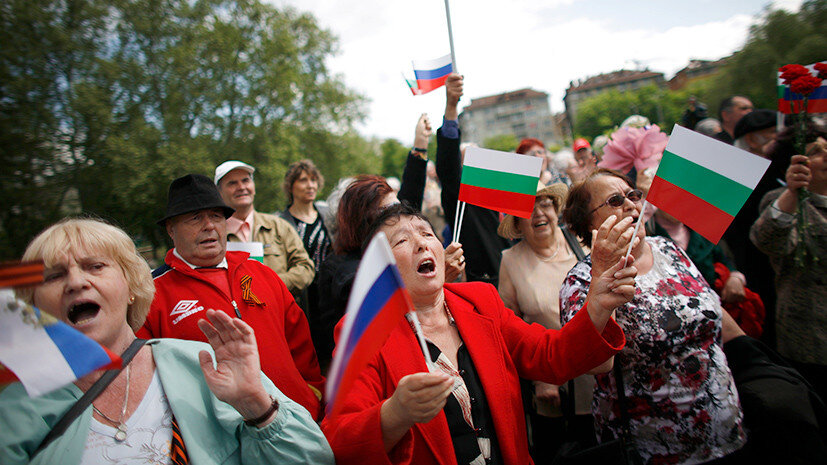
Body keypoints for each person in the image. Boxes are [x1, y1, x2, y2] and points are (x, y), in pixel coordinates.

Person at [1, 218, 333, 464]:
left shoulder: (204, 365)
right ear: (33, 304)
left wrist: (257, 408)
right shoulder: (14, 410)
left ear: (132, 287)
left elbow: (313, 458)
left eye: (95, 266)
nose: (75, 282)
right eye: (54, 276)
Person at [321, 203, 631, 465]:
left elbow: (550, 356)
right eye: (401, 241)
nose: (421, 243)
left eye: (427, 234)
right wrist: (395, 413)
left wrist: (597, 306)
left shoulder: (481, 301)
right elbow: (340, 439)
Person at [561, 168, 746, 464]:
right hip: (654, 451)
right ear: (588, 222)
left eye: (633, 195)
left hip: (726, 434)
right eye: (616, 200)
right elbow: (596, 363)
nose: (632, 205)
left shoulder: (670, 249)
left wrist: (755, 361)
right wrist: (603, 292)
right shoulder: (580, 282)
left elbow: (712, 309)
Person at [138, 174, 325, 420]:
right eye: (195, 218)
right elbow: (145, 381)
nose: (209, 226)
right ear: (171, 230)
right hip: (221, 444)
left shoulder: (262, 273)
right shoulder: (151, 296)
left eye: (216, 216)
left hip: (298, 424)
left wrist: (311, 398)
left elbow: (301, 346)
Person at [316, 174, 465, 367]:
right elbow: (382, 311)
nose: (399, 216)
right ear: (365, 221)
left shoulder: (481, 297)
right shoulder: (347, 272)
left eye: (426, 234)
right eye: (390, 210)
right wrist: (436, 277)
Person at [496, 183, 595, 463]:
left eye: (546, 204)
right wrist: (540, 376)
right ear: (516, 222)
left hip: (600, 377)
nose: (538, 213)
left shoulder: (582, 243)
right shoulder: (510, 261)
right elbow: (510, 326)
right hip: (553, 387)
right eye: (527, 208)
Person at [751, 135, 827, 403]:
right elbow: (768, 240)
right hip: (811, 339)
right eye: (816, 152)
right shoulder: (781, 201)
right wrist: (793, 194)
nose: (826, 154)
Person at [437, 73, 512, 287]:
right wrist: (451, 108)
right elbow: (448, 167)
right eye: (470, 161)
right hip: (488, 283)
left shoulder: (504, 194)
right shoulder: (462, 202)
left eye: (481, 158)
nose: (478, 165)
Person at [214, 160, 315, 296]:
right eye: (232, 183)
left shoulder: (279, 226)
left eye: (245, 181)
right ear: (219, 192)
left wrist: (271, 284)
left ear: (254, 187)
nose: (241, 187)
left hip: (279, 312)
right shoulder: (212, 235)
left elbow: (305, 267)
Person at [280, 159, 333, 366]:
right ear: (291, 186)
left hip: (328, 293)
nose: (310, 185)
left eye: (313, 180)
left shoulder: (328, 216)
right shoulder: (281, 221)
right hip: (301, 295)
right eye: (303, 180)